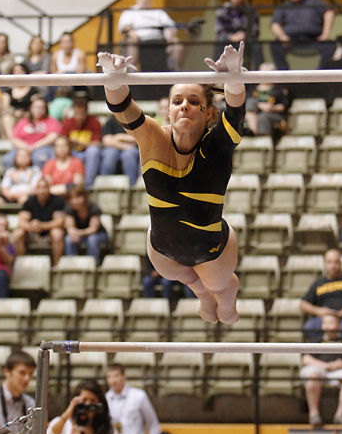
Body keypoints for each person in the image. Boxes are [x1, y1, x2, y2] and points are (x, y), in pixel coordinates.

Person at [98, 43, 246, 324]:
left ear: (208, 113)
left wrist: (234, 78)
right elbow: (121, 107)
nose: (184, 106)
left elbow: (236, 115)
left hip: (212, 249)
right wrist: (113, 77)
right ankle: (202, 294)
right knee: (192, 280)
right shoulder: (153, 136)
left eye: (193, 101)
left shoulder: (217, 145)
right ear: (168, 110)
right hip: (163, 250)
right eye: (177, 101)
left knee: (220, 293)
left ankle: (224, 298)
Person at [271, 0, 336, 70]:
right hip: (291, 40)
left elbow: (329, 13)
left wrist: (325, 35)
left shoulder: (314, 2)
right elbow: (275, 24)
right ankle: (285, 76)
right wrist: (283, 37)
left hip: (315, 39)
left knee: (330, 45)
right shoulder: (283, 7)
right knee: (275, 45)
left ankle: (320, 74)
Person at [118, 0, 184, 73]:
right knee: (131, 41)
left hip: (159, 40)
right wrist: (133, 35)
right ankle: (131, 71)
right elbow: (125, 28)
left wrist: (169, 35)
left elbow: (170, 26)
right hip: (139, 40)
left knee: (177, 44)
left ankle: (173, 69)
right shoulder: (130, 12)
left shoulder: (158, 12)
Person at [301, 313, 342, 426]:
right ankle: (314, 414)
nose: (328, 326)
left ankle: (340, 414)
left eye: (331, 323)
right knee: (313, 375)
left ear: (339, 326)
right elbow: (306, 359)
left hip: (339, 371)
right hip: (319, 369)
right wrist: (325, 366)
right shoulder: (316, 340)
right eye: (325, 323)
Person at [300, 247, 342, 341]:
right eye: (329, 262)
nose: (333, 266)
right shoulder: (318, 283)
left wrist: (339, 314)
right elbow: (303, 304)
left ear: (340, 263)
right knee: (309, 326)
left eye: (336, 262)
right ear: (325, 263)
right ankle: (319, 354)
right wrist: (319, 311)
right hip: (323, 319)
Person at [47, 379, 117, 434]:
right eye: (84, 400)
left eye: (93, 401)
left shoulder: (106, 427)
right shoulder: (65, 424)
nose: (88, 404)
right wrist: (68, 412)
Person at [13, 177, 65, 265]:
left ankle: (56, 266)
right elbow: (21, 222)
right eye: (39, 188)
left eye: (44, 187)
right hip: (32, 232)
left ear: (49, 188)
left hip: (49, 233)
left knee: (57, 233)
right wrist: (31, 227)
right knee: (17, 234)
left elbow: (59, 222)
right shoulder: (29, 202)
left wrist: (42, 226)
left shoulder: (57, 201)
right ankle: (21, 265)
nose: (42, 191)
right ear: (36, 189)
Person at [106, 363, 160, 434]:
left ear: (124, 376)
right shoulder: (105, 399)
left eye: (116, 376)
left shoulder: (139, 396)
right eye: (109, 377)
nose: (113, 380)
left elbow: (153, 424)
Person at [3, 96, 61, 169]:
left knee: (39, 158)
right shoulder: (23, 121)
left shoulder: (51, 121)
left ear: (45, 109)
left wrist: (35, 146)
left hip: (43, 147)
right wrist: (25, 147)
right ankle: (14, 178)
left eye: (41, 108)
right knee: (7, 160)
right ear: (31, 108)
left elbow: (53, 137)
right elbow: (14, 138)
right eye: (35, 107)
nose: (38, 110)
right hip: (23, 147)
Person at [215, 0, 261, 70]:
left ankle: (258, 77)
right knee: (219, 42)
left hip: (246, 40)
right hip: (228, 40)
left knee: (257, 46)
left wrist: (244, 34)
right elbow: (219, 31)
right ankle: (217, 77)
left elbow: (255, 30)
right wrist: (231, 36)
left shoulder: (251, 10)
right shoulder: (223, 10)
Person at [60, 95, 102, 189]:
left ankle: (87, 186)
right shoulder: (67, 122)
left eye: (82, 114)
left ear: (86, 112)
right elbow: (61, 140)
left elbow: (97, 143)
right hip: (72, 152)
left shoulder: (94, 122)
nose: (79, 117)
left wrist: (79, 143)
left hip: (87, 153)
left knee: (94, 151)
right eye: (76, 113)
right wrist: (69, 143)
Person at [0, 148, 42, 213]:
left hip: (27, 195)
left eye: (25, 156)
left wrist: (22, 194)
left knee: (25, 201)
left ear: (30, 158)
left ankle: (22, 221)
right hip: (10, 195)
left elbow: (35, 188)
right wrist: (9, 195)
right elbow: (4, 188)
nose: (23, 158)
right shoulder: (10, 171)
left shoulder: (35, 170)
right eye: (20, 156)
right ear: (16, 158)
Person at [64, 185, 109, 264]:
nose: (75, 201)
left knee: (92, 239)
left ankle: (92, 265)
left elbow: (93, 229)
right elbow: (70, 227)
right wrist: (73, 234)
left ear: (84, 197)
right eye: (72, 198)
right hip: (80, 235)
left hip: (98, 234)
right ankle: (71, 265)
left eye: (78, 197)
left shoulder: (94, 207)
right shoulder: (69, 209)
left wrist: (78, 233)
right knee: (69, 239)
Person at [245, 62, 290, 136]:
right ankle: (254, 132)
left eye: (266, 74)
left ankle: (264, 139)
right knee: (250, 104)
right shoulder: (252, 89)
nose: (264, 76)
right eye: (262, 73)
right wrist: (259, 105)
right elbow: (248, 104)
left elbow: (283, 106)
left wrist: (271, 108)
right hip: (253, 114)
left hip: (273, 114)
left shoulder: (279, 90)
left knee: (263, 117)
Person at [0, 61, 39, 139]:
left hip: (28, 116)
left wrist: (25, 114)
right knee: (6, 117)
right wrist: (15, 113)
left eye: (21, 70)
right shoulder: (8, 92)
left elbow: (36, 106)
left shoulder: (33, 91)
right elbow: (5, 108)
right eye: (16, 71)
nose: (18, 73)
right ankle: (12, 139)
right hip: (12, 117)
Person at [99, 115, 140, 186]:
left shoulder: (134, 122)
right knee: (110, 154)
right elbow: (107, 141)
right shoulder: (110, 122)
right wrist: (127, 145)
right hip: (118, 149)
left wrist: (118, 137)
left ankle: (132, 186)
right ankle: (104, 186)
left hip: (131, 150)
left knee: (129, 155)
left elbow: (137, 140)